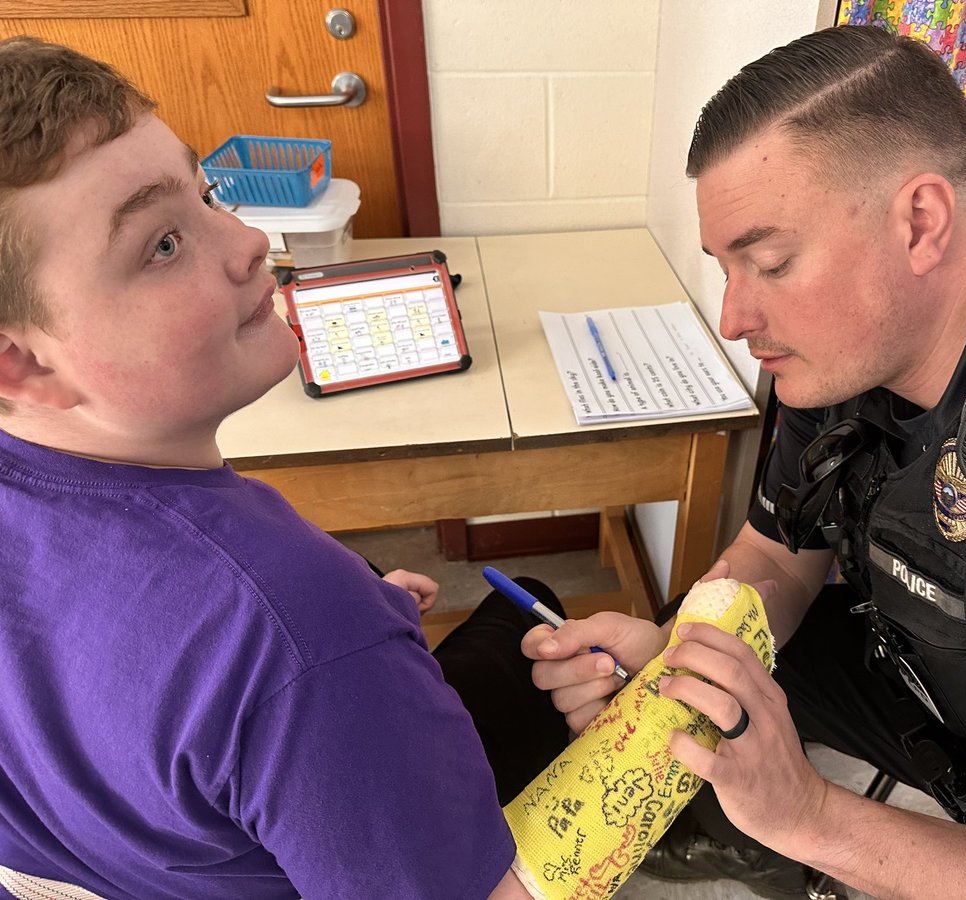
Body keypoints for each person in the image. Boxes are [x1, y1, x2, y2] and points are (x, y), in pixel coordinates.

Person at [525, 24, 966, 900]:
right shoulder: (858, 342)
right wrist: (677, 670)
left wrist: (809, 817)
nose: (734, 318)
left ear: (921, 222)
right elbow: (776, 558)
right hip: (947, 668)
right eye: (728, 269)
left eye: (770, 263)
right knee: (701, 648)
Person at [0, 36, 563, 899]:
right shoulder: (291, 623)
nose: (250, 240)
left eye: (205, 193)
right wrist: (332, 653)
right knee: (541, 630)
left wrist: (341, 652)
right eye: (162, 245)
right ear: (21, 363)